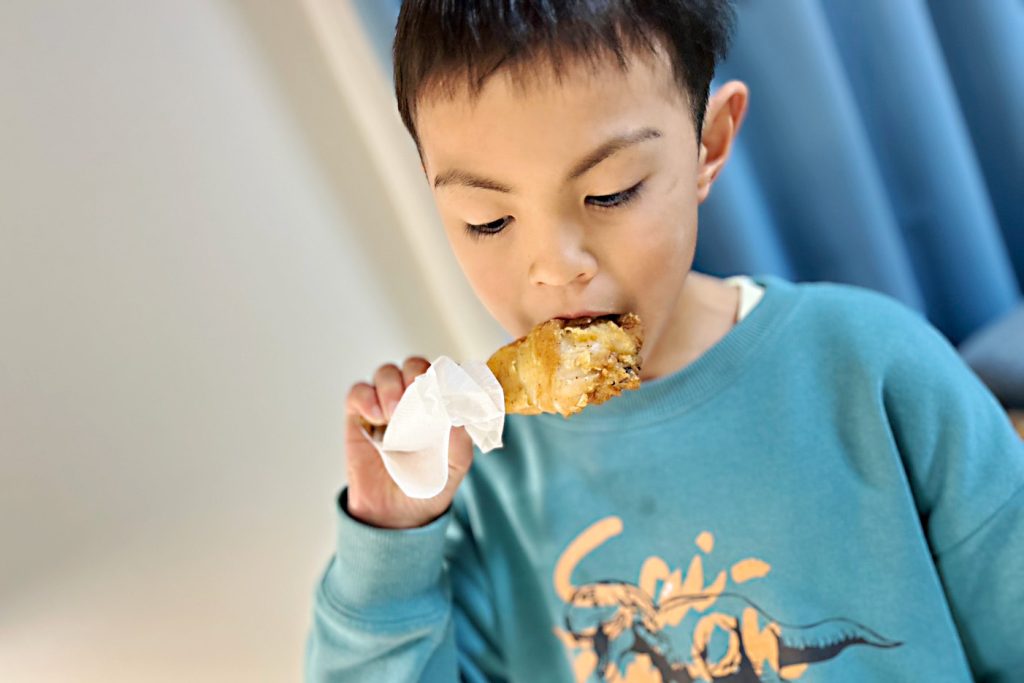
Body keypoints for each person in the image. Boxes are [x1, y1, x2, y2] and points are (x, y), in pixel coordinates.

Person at [305, 1, 1024, 680]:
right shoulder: (488, 490)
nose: (556, 267)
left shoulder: (873, 368)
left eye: (611, 191)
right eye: (486, 219)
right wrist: (388, 551)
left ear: (709, 145)